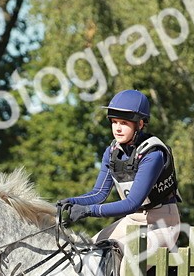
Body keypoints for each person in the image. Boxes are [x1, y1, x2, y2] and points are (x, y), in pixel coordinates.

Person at [60, 89, 181, 252]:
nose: (117, 128)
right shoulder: (111, 152)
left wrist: (88, 211)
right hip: (132, 221)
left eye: (124, 123)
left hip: (163, 223)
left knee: (126, 260)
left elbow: (132, 203)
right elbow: (99, 193)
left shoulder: (153, 155)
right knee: (87, 251)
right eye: (114, 122)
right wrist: (71, 202)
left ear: (140, 124)